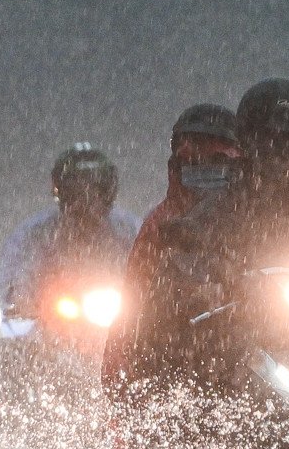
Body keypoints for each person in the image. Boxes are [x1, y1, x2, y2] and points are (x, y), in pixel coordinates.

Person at [106, 78, 289, 399]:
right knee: (201, 380)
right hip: (234, 360)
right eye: (271, 140)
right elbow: (178, 269)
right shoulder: (214, 210)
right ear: (249, 141)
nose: (283, 152)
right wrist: (208, 287)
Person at [0, 144, 141, 420]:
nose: (87, 197)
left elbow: (147, 265)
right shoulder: (35, 233)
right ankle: (16, 420)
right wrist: (20, 299)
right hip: (52, 329)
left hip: (116, 328)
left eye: (95, 187)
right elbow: (16, 272)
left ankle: (146, 424)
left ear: (109, 190)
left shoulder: (129, 229)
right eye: (78, 188)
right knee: (2, 357)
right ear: (62, 190)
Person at [101, 104, 242, 393]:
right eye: (194, 161)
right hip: (177, 353)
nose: (204, 170)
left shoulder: (257, 215)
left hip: (251, 341)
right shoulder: (160, 223)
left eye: (216, 160)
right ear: (178, 163)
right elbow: (133, 303)